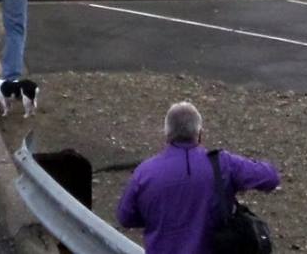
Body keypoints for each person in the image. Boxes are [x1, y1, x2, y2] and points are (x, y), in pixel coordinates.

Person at [117, 101, 280, 254]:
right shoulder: (223, 164)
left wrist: (159, 217)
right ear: (199, 133)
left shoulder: (144, 173)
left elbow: (125, 217)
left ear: (167, 135)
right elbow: (270, 178)